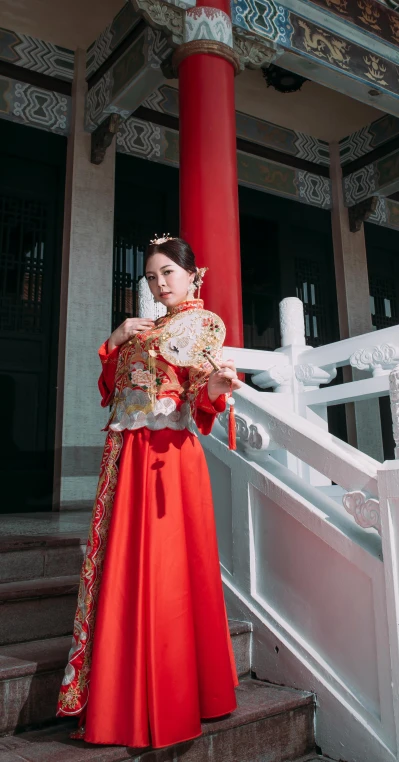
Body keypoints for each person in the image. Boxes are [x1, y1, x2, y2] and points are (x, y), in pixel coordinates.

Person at [57, 236, 240, 749]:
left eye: (169, 274)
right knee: (125, 565)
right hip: (129, 454)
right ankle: (122, 690)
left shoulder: (201, 325)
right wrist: (114, 339)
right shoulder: (146, 327)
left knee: (166, 570)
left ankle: (171, 695)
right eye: (153, 277)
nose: (161, 284)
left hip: (166, 458)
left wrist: (218, 388)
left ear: (192, 274)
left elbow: (199, 386)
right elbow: (114, 387)